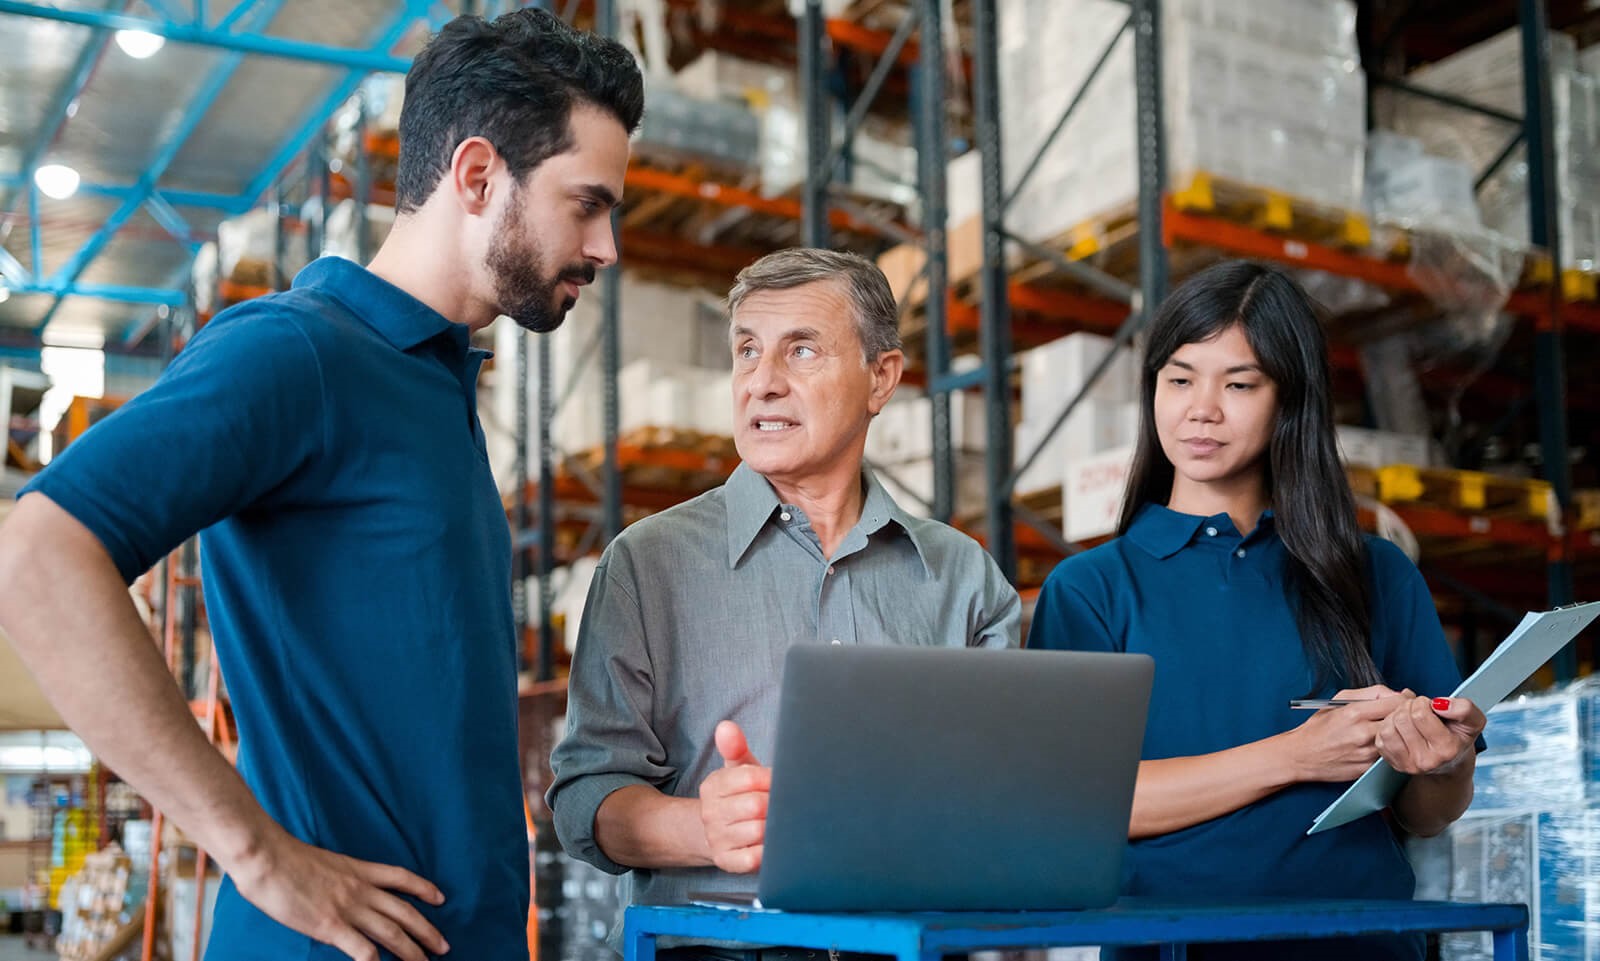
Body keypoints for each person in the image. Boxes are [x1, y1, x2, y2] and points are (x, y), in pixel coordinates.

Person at [0, 10, 641, 961]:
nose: (606, 248)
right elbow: (37, 554)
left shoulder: (434, 387)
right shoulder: (299, 351)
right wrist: (253, 851)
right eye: (587, 204)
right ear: (476, 175)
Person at [547, 247, 1021, 950]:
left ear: (881, 378)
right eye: (746, 351)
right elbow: (585, 799)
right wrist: (700, 827)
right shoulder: (647, 564)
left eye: (801, 351)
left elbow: (1008, 795)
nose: (762, 383)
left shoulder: (961, 577)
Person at [1028, 260, 1486, 961]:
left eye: (1239, 384)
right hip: (1174, 948)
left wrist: (1445, 763)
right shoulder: (1093, 588)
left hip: (1363, 947)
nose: (1200, 408)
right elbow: (1078, 810)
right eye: (1179, 379)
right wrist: (1297, 756)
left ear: (1289, 401)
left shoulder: (1375, 575)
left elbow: (1424, 818)